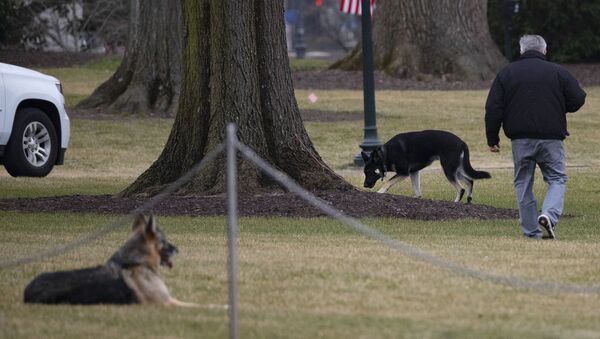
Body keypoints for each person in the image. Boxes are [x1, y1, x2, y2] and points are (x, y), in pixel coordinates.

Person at [485, 34, 586, 239]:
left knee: (523, 182)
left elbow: (493, 109)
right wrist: (558, 108)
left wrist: (492, 139)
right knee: (557, 178)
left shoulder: (507, 73)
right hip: (551, 138)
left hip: (520, 139)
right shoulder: (558, 72)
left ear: (521, 51)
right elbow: (578, 98)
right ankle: (549, 214)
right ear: (544, 51)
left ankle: (531, 233)